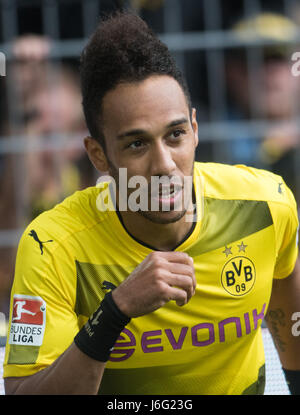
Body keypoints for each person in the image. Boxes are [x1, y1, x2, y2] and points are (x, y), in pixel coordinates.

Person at [3, 12, 300, 395]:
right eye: (137, 144)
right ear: (97, 154)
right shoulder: (51, 245)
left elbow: (290, 320)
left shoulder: (266, 204)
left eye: (175, 135)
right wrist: (113, 313)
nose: (163, 165)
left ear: (195, 130)